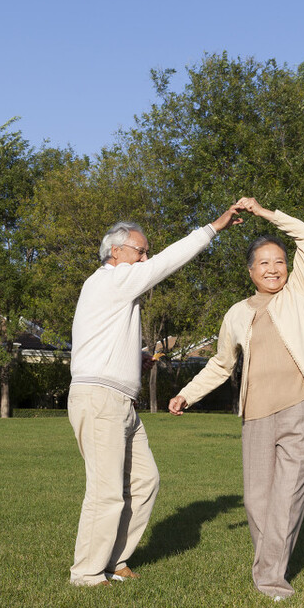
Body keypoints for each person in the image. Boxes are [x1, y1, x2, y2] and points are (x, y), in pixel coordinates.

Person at [68, 206, 244, 587]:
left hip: (119, 402)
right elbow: (168, 262)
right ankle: (85, 574)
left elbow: (100, 342)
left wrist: (137, 360)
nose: (145, 258)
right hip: (100, 400)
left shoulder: (114, 290)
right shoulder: (111, 279)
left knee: (145, 480)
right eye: (140, 251)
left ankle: (115, 560)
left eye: (146, 252)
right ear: (115, 252)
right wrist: (214, 228)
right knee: (106, 490)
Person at [168, 197, 304, 600]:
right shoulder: (236, 313)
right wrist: (187, 394)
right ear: (251, 272)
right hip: (256, 414)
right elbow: (222, 364)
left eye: (279, 261)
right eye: (264, 263)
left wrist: (265, 213)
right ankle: (269, 566)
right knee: (258, 500)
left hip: (301, 405)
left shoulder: (297, 294)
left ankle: (270, 580)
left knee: (288, 496)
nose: (274, 269)